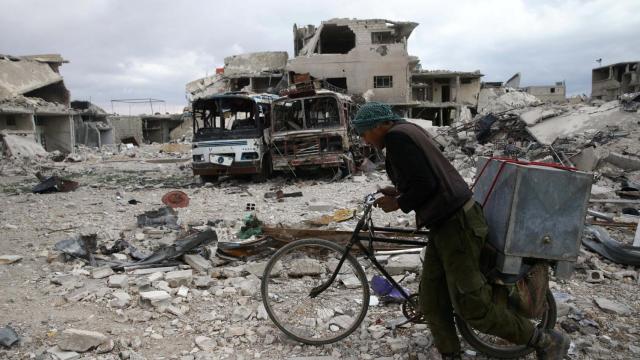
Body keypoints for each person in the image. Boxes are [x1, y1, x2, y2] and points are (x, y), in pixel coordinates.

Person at [351, 102, 570, 360]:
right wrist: (399, 192)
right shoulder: (408, 131)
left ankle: (544, 340)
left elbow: (426, 183)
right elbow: (424, 178)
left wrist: (398, 203)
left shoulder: (397, 138)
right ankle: (450, 353)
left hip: (457, 225)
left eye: (364, 132)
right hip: (445, 225)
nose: (363, 139)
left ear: (379, 126)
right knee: (432, 298)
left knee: (473, 305)